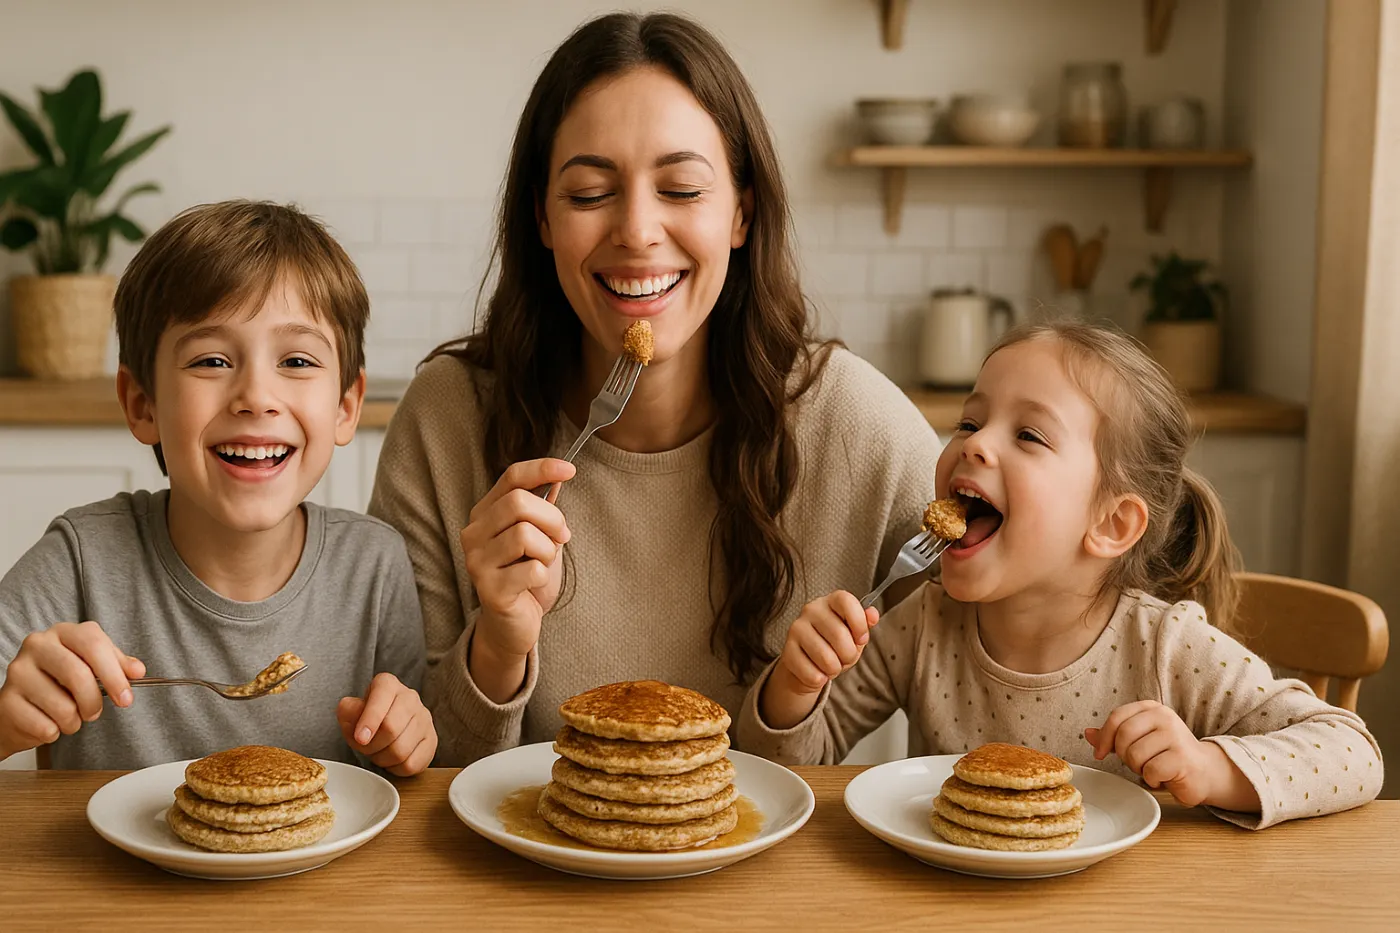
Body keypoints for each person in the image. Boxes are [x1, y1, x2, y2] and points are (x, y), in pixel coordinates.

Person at [368, 12, 941, 764]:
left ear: (741, 211)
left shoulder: (854, 423)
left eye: (680, 188)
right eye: (588, 194)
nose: (637, 230)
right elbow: (414, 763)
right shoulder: (446, 421)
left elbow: (1018, 588)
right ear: (541, 217)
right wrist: (498, 646)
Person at [738, 320, 1382, 828]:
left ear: (1110, 525)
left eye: (1029, 436)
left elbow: (1353, 753)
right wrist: (797, 684)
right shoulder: (924, 624)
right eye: (970, 419)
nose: (975, 443)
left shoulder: (1166, 648)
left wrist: (1211, 768)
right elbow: (782, 775)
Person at [0, 201, 436, 775]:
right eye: (210, 360)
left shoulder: (374, 566)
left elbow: (409, 763)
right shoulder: (81, 558)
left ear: (346, 406)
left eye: (297, 360)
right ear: (142, 404)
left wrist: (410, 742)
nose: (255, 395)